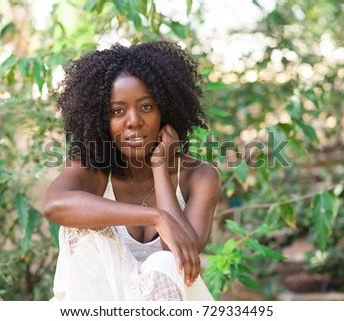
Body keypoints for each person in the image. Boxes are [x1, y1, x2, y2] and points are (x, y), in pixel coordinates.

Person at [42, 41, 222, 300]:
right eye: (117, 111)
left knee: (165, 262)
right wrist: (157, 217)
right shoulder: (93, 168)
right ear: (101, 119)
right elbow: (54, 205)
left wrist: (160, 167)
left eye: (146, 107)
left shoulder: (199, 176)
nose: (134, 121)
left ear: (166, 110)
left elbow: (182, 256)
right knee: (77, 228)